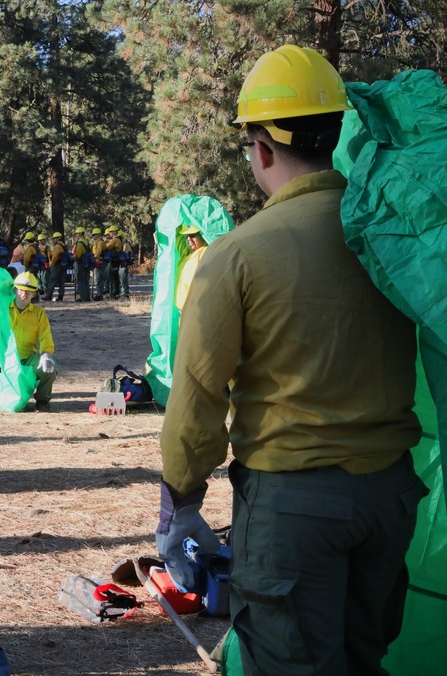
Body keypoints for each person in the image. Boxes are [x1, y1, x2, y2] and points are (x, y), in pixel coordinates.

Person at [157, 44, 427, 676]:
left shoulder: (237, 256)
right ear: (334, 136)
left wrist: (183, 497)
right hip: (390, 496)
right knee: (364, 658)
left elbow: (197, 394)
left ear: (262, 148)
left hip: (295, 510)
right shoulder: (388, 236)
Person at [9, 272, 57, 412]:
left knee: (49, 367)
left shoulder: (39, 313)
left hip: (28, 359)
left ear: (34, 294)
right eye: (21, 290)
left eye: (29, 292)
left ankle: (42, 400)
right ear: (15, 290)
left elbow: (45, 336)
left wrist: (46, 354)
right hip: (6, 359)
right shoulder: (3, 309)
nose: (24, 294)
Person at [174, 226, 207, 311]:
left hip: (196, 311)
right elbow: (178, 237)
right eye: (187, 236)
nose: (189, 239)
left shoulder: (206, 253)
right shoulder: (187, 253)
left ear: (203, 235)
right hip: (183, 310)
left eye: (192, 235)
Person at [45, 232, 68, 302]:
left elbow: (55, 257)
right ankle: (60, 296)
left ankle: (48, 295)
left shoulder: (57, 246)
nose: (53, 240)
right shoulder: (64, 245)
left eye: (54, 238)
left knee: (52, 280)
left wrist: (52, 264)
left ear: (58, 238)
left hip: (57, 265)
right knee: (61, 281)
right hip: (63, 265)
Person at [72, 226, 90, 302]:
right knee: (86, 280)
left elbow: (78, 255)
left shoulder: (79, 243)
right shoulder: (86, 241)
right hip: (87, 263)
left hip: (81, 264)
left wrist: (73, 258)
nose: (75, 236)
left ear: (79, 234)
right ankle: (87, 296)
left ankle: (83, 297)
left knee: (81, 281)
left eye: (76, 234)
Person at [103, 227, 122, 299]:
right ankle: (116, 293)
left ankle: (113, 294)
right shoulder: (118, 240)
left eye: (111, 232)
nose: (109, 233)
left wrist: (104, 242)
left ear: (114, 232)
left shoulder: (114, 240)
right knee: (115, 278)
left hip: (112, 261)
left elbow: (106, 247)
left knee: (111, 278)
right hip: (116, 261)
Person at [90, 227, 106, 301]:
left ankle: (100, 294)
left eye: (94, 235)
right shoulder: (96, 243)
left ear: (98, 235)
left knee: (99, 279)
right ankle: (99, 293)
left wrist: (93, 258)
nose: (93, 236)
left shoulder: (100, 243)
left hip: (99, 261)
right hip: (96, 261)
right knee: (97, 278)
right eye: (93, 235)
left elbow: (98, 252)